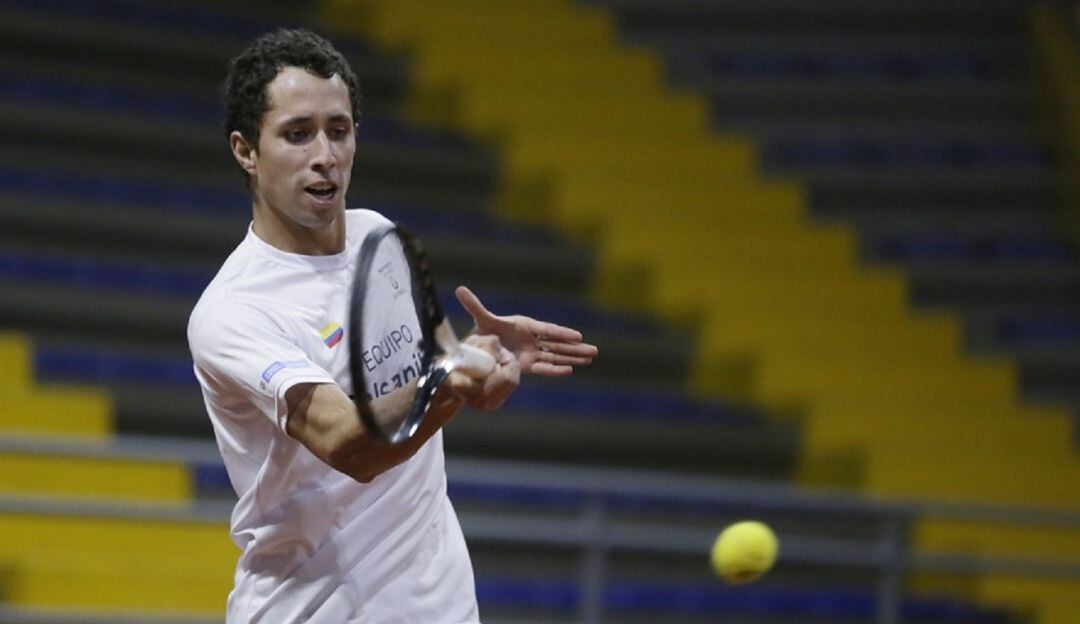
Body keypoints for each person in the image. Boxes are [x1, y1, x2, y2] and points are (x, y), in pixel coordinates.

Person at [187, 28, 597, 623]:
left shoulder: (378, 236)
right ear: (246, 151)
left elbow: (422, 371)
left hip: (441, 604)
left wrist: (481, 360)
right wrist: (453, 378)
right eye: (297, 135)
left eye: (339, 129)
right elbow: (349, 444)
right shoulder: (233, 311)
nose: (324, 154)